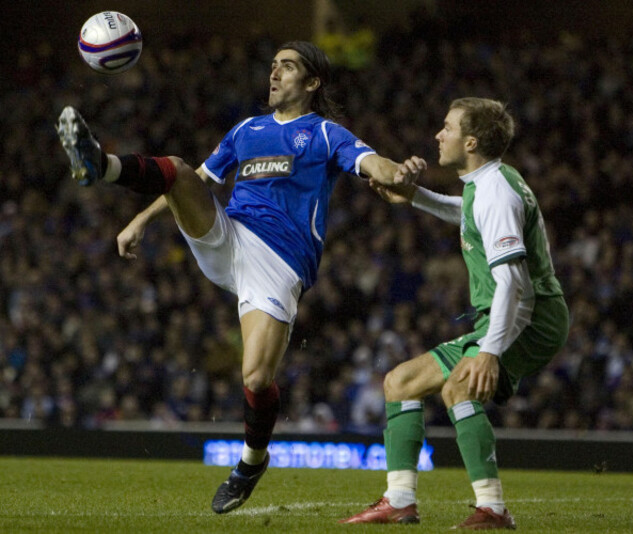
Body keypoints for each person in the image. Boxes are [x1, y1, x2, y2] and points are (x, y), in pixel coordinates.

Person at [56, 41, 417, 514]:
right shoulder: (247, 130)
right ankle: (101, 165)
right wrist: (141, 219)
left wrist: (400, 171)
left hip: (280, 262)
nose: (274, 74)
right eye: (272, 66)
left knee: (256, 375)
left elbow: (375, 166)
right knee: (181, 171)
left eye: (287, 67)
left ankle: (251, 461)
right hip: (229, 233)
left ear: (312, 83)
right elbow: (197, 182)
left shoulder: (326, 134)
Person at [340, 98, 569, 530]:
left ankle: (493, 510)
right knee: (401, 382)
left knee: (458, 390)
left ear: (471, 141)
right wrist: (415, 197)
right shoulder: (485, 184)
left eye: (446, 128)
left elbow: (514, 284)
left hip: (530, 316)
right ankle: (401, 501)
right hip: (515, 311)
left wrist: (490, 352)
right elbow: (467, 216)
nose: (437, 135)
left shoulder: (497, 193)